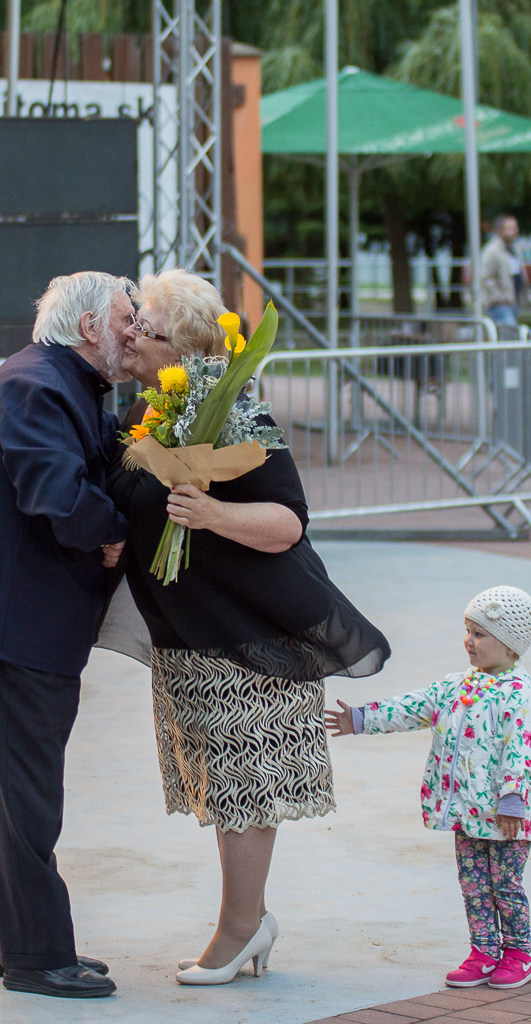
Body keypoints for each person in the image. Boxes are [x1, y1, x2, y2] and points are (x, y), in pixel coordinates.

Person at [105, 268, 391, 986]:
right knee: (224, 786)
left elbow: (287, 523)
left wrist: (211, 515)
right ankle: (250, 921)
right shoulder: (148, 411)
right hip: (192, 635)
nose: (130, 334)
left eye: (144, 328)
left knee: (245, 790)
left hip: (250, 638)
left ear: (183, 350)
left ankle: (238, 932)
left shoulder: (234, 414)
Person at [0, 272, 136, 999]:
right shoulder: (33, 385)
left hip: (30, 625)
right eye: (126, 317)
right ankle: (36, 957)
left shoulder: (65, 385)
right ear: (88, 326)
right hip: (14, 625)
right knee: (26, 801)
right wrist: (114, 532)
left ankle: (23, 940)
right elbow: (57, 493)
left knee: (26, 795)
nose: (135, 331)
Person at [325, 586, 531, 990]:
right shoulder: (456, 687)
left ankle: (520, 952)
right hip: (466, 814)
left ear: (511, 645)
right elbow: (411, 706)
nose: (469, 640)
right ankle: (484, 951)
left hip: (508, 815)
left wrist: (513, 798)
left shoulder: (520, 696)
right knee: (474, 885)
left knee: (505, 885)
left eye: (480, 634)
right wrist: (363, 718)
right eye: (467, 631)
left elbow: (521, 748)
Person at [481, 215, 529, 327]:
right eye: (510, 229)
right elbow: (486, 278)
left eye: (515, 228)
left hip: (514, 302)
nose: (514, 232)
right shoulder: (492, 251)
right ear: (500, 230)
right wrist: (501, 297)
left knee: (512, 332)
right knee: (510, 332)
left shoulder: (515, 248)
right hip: (500, 304)